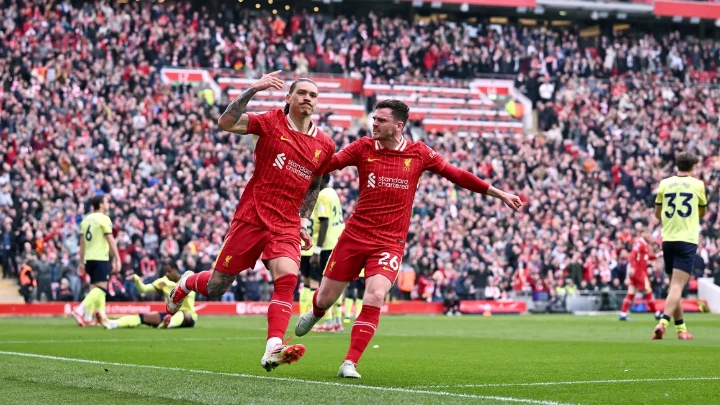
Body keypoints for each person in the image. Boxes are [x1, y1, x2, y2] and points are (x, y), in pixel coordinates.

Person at [294, 100, 523, 378]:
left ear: (398, 125)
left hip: (389, 242)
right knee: (327, 298)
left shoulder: (419, 153)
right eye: (374, 119)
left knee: (375, 294)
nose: (374, 124)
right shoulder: (363, 147)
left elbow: (456, 175)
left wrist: (499, 193)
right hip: (354, 237)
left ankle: (350, 362)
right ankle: (318, 311)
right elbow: (328, 164)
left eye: (381, 120)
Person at [165, 71, 336, 372]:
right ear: (289, 97)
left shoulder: (324, 144)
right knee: (217, 286)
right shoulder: (270, 122)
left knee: (287, 278)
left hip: (285, 224)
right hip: (252, 216)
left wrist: (302, 222)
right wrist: (253, 89)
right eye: (302, 93)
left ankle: (273, 347)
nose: (308, 98)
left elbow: (314, 186)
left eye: (313, 95)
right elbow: (226, 122)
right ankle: (188, 281)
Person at [652, 152, 706, 340]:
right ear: (692, 167)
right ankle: (663, 322)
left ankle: (681, 329)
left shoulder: (665, 184)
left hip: (668, 239)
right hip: (687, 240)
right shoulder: (698, 184)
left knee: (673, 287)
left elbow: (658, 214)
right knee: (677, 286)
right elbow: (702, 211)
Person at [98, 263, 196, 329]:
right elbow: (144, 289)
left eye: (169, 271)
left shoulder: (187, 280)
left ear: (176, 270)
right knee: (143, 317)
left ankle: (168, 324)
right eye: (165, 272)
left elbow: (189, 294)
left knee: (184, 313)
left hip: (188, 317)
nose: (167, 274)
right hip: (170, 315)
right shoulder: (163, 281)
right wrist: (136, 280)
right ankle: (113, 323)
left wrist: (171, 286)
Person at [72, 195, 121, 326]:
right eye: (106, 202)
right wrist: (117, 258)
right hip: (100, 258)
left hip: (89, 259)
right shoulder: (104, 219)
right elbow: (110, 239)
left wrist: (82, 261)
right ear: (100, 204)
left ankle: (94, 317)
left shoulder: (85, 220)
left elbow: (81, 243)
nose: (108, 204)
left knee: (94, 288)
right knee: (101, 289)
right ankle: (79, 310)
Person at [619, 224, 661, 321]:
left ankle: (623, 314)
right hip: (639, 273)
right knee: (649, 292)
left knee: (630, 293)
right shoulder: (639, 243)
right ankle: (657, 313)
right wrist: (633, 267)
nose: (648, 235)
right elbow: (633, 255)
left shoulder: (644, 245)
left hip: (637, 273)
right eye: (646, 233)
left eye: (648, 233)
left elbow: (646, 258)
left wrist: (657, 255)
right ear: (641, 234)